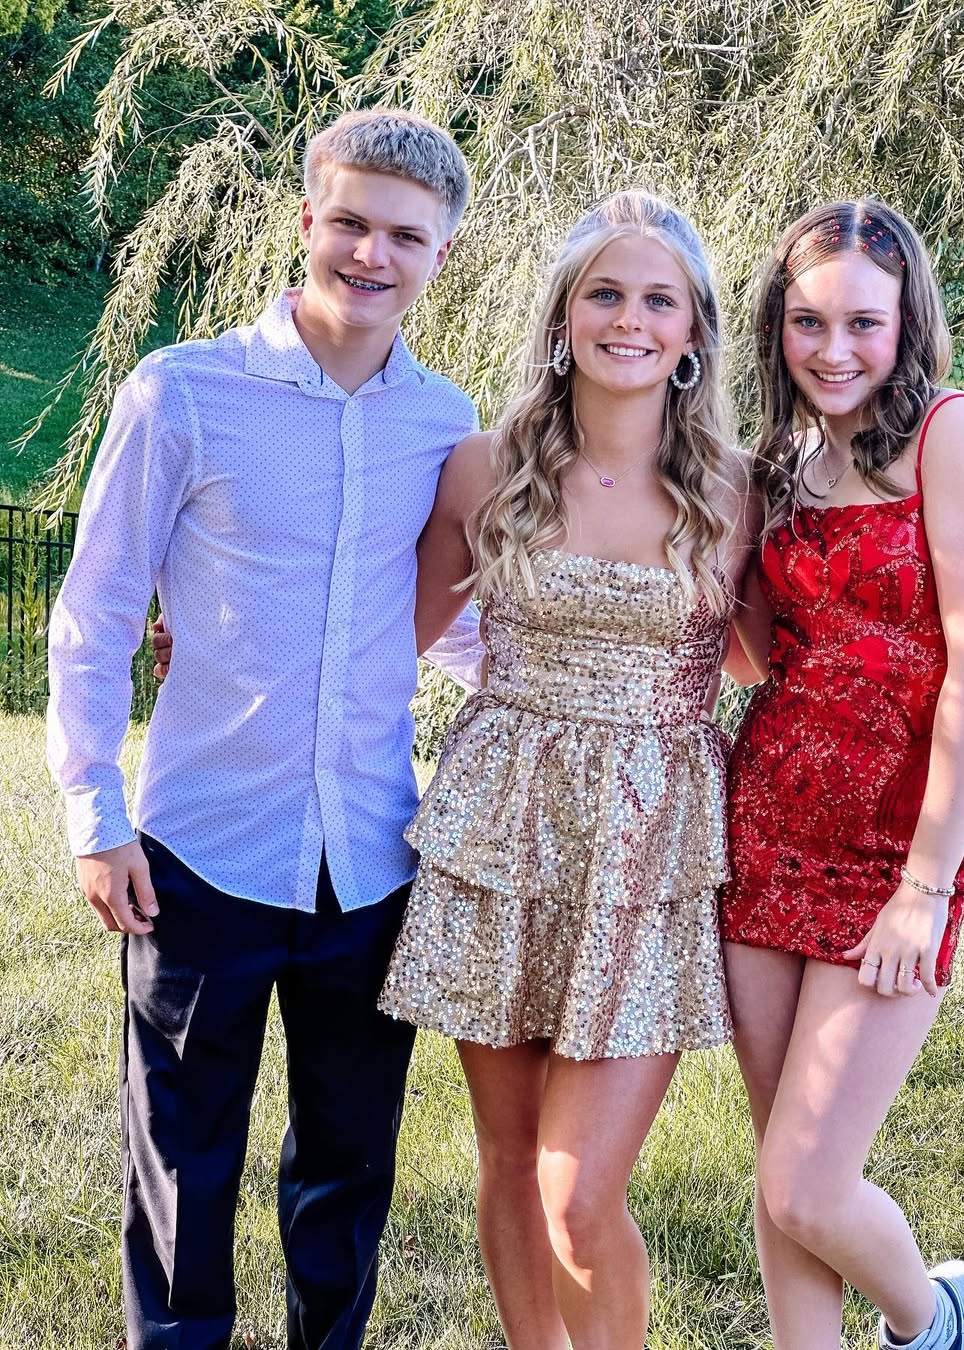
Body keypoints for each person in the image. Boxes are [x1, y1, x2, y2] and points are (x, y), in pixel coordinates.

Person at [46, 109, 485, 1349]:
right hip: (200, 856)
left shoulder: (444, 424)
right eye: (349, 222)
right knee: (184, 1162)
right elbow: (97, 611)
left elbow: (438, 619)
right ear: (306, 221)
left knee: (348, 1164)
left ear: (441, 253)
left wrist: (564, 676)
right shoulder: (182, 392)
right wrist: (95, 817)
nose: (371, 254)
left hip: (372, 863)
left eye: (405, 236)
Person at [376, 190, 754, 1349]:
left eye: (658, 301)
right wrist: (222, 638)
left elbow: (782, 664)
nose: (629, 321)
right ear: (562, 316)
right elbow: (384, 642)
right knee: (507, 1156)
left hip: (646, 850)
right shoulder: (482, 468)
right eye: (605, 294)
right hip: (502, 829)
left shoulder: (737, 492)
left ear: (693, 333)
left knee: (579, 1193)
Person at [721, 201, 964, 1350]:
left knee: (810, 1181)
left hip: (896, 850)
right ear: (777, 326)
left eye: (863, 321)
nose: (834, 348)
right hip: (765, 826)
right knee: (781, 1168)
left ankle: (937, 1321)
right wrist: (701, 544)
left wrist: (926, 886)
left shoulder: (953, 435)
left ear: (909, 322)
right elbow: (757, 655)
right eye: (808, 321)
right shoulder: (781, 464)